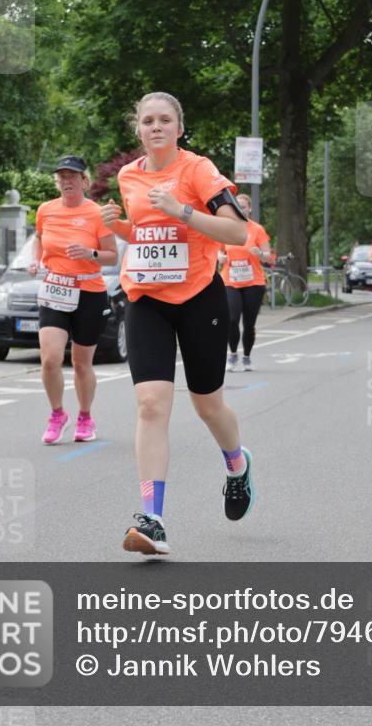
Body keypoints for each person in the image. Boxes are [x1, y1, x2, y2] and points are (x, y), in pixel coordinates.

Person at [101, 92, 252, 556]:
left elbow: (238, 232)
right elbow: (147, 233)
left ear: (179, 128)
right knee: (150, 404)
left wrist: (182, 210)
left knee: (208, 406)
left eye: (165, 120)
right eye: (148, 121)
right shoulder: (128, 176)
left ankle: (236, 464)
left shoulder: (199, 170)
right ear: (138, 130)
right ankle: (153, 519)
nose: (156, 127)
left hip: (198, 297)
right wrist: (119, 227)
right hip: (146, 298)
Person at [29, 155, 117, 445]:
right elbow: (39, 238)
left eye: (72, 176)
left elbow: (111, 255)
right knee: (50, 359)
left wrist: (90, 254)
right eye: (62, 177)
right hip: (55, 289)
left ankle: (85, 416)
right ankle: (57, 414)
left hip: (88, 293)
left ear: (84, 180)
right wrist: (35, 260)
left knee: (81, 363)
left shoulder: (96, 213)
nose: (66, 181)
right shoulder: (46, 210)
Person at [219, 193, 271, 371]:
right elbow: (217, 252)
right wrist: (220, 257)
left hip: (253, 283)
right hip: (230, 281)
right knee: (232, 319)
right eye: (237, 206)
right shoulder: (226, 228)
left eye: (244, 206)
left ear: (249, 209)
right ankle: (233, 354)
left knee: (249, 323)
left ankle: (247, 356)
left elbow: (267, 256)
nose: (241, 209)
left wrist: (259, 254)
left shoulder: (257, 229)